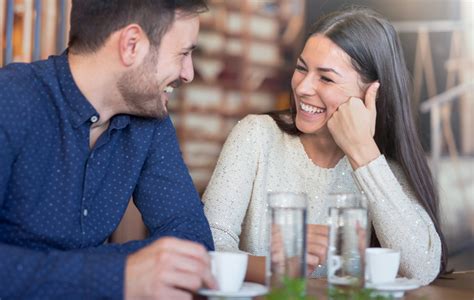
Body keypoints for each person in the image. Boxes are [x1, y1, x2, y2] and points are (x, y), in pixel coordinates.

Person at [203, 7, 447, 286]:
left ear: (370, 94)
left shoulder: (384, 165)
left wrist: (363, 153)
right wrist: (276, 266)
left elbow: (423, 267)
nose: (303, 87)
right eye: (301, 68)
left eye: (326, 78)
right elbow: (207, 243)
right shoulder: (256, 135)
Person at [0, 1, 217, 299]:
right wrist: (120, 275)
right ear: (131, 45)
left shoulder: (149, 121)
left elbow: (193, 243)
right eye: (183, 53)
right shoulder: (10, 100)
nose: (189, 73)